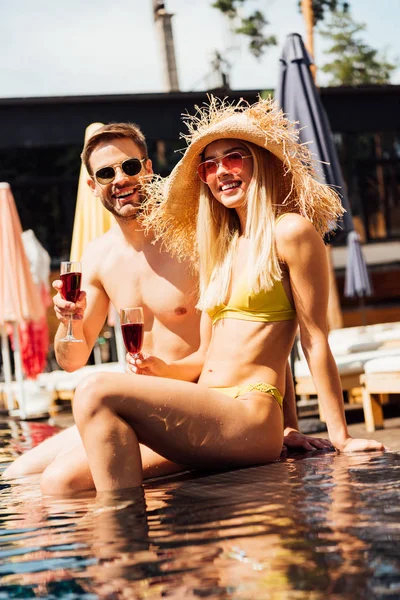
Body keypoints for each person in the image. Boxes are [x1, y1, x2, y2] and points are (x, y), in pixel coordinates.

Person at [68, 97, 385, 494]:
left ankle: (126, 547)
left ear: (260, 161)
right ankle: (151, 541)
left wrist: (339, 435)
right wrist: (160, 369)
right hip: (208, 406)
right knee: (63, 482)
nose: (222, 171)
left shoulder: (290, 233)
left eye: (233, 157)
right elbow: (209, 356)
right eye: (210, 164)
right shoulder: (223, 247)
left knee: (95, 390)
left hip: (248, 412)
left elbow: (313, 339)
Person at [2, 120, 321, 494]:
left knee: (61, 480)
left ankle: (131, 540)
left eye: (131, 166)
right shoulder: (98, 257)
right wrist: (67, 321)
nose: (121, 179)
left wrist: (285, 424)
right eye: (106, 173)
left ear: (148, 168)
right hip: (135, 408)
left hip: (204, 406)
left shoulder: (195, 237)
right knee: (18, 474)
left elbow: (254, 333)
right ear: (93, 186)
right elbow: (72, 360)